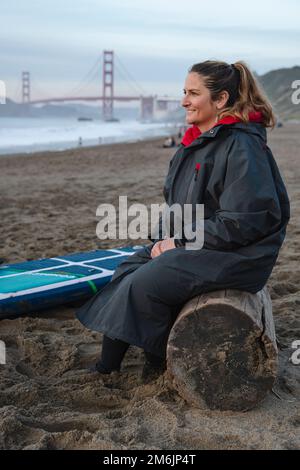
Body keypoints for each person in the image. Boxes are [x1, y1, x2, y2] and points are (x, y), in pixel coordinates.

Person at [76, 60, 290, 381]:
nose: (183, 101)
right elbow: (178, 204)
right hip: (206, 242)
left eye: (193, 93)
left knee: (145, 284)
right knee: (130, 268)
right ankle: (110, 366)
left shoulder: (242, 145)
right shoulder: (197, 141)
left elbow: (247, 220)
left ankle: (160, 361)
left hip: (240, 254)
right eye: (184, 92)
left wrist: (178, 242)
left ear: (220, 100)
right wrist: (162, 239)